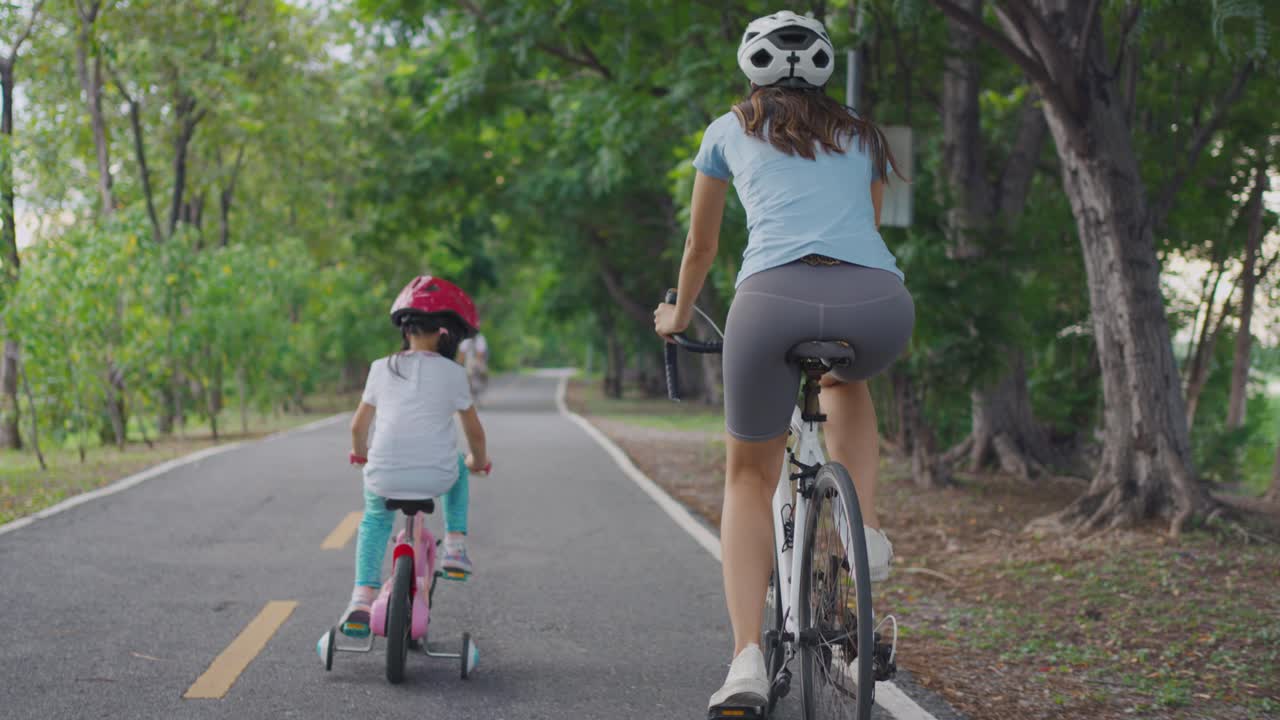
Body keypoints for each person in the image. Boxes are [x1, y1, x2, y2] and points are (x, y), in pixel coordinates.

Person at [651, 11, 914, 712]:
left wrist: (676, 316)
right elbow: (870, 228)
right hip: (878, 304)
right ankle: (869, 531)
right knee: (844, 375)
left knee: (747, 473)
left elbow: (701, 251)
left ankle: (744, 660)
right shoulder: (863, 134)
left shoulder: (726, 130)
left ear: (751, 67)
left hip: (772, 303)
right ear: (824, 67)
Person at [340, 275, 491, 638]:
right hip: (435, 477)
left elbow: (358, 428)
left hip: (384, 475)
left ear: (405, 329)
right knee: (457, 464)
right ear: (445, 333)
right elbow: (475, 433)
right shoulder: (454, 374)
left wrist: (360, 456)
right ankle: (454, 545)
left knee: (375, 520)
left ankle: (362, 597)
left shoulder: (380, 368)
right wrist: (478, 463)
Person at [459, 332, 489, 396]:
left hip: (479, 358)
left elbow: (481, 352)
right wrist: (460, 364)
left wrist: (478, 362)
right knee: (467, 373)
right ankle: (469, 387)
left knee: (483, 370)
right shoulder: (465, 340)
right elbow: (462, 353)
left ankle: (484, 382)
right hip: (468, 359)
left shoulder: (480, 339)